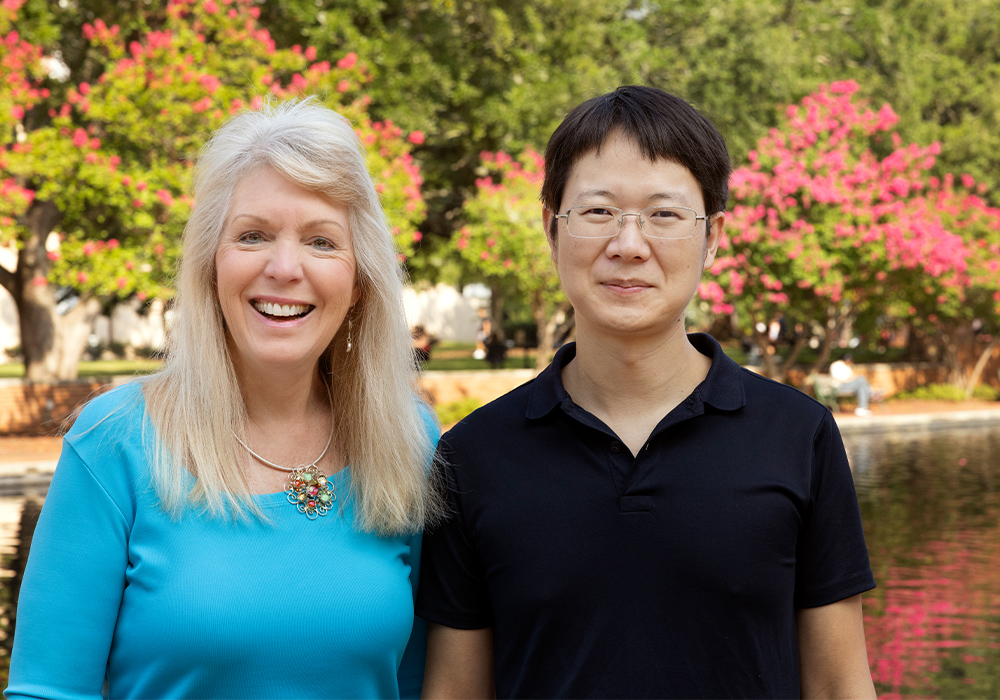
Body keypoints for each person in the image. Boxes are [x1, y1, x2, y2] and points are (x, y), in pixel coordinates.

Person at [417, 86, 877, 698]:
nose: (628, 245)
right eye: (599, 211)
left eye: (663, 214)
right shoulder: (473, 455)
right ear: (552, 228)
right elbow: (454, 690)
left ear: (713, 235)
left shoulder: (797, 436)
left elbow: (839, 684)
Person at [6, 99, 443, 699]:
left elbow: (423, 683)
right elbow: (47, 691)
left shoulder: (410, 444)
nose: (284, 268)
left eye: (321, 241)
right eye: (253, 235)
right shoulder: (116, 442)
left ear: (360, 281)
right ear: (211, 264)